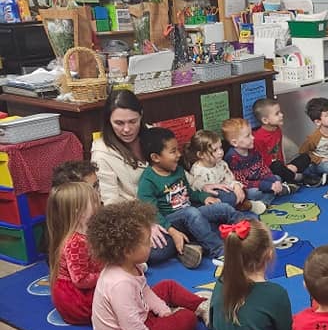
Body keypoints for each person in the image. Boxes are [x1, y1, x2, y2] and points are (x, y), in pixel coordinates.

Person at [87, 200, 207, 330]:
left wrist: (163, 310)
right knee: (187, 319)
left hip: (137, 313)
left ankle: (202, 306)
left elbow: (144, 291)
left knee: (168, 286)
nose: (150, 244)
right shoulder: (120, 284)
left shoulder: (130, 265)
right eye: (146, 242)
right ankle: (187, 312)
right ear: (128, 251)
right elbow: (131, 327)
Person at [90, 89, 175, 264]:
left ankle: (183, 238)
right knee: (159, 249)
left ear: (141, 116)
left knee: (221, 199)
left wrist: (200, 185)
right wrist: (145, 224)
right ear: (109, 121)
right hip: (136, 218)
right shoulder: (101, 153)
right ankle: (185, 239)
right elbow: (111, 206)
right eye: (119, 123)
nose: (127, 129)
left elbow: (175, 165)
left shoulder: (152, 134)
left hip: (171, 203)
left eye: (133, 121)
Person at [138, 126, 244, 264]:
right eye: (173, 151)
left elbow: (190, 193)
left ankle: (247, 230)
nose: (179, 155)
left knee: (223, 207)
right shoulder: (148, 180)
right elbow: (151, 212)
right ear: (155, 157)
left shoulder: (178, 170)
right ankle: (219, 251)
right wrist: (171, 230)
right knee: (156, 252)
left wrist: (204, 197)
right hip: (172, 221)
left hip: (193, 214)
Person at [47, 181, 102, 324]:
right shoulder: (75, 242)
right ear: (78, 211)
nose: (99, 204)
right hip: (77, 299)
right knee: (119, 295)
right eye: (94, 202)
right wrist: (105, 274)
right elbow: (81, 280)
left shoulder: (86, 232)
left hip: (85, 286)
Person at [185, 129, 267, 215]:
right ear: (201, 155)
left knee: (253, 192)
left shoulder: (222, 164)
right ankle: (244, 206)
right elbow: (198, 190)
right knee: (227, 197)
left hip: (229, 192)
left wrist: (236, 186)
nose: (220, 152)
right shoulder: (197, 170)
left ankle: (241, 204)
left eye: (220, 147)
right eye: (215, 150)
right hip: (216, 199)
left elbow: (230, 179)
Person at [223, 117, 292, 203]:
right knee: (253, 193)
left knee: (277, 178)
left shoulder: (253, 148)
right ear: (234, 142)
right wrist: (267, 186)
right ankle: (269, 197)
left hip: (260, 181)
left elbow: (263, 168)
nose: (252, 137)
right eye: (248, 136)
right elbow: (242, 182)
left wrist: (274, 181)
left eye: (251, 134)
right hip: (248, 186)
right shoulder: (232, 157)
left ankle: (269, 196)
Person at [252, 98, 314, 185]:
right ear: (265, 120)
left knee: (305, 157)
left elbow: (281, 152)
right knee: (276, 166)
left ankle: (289, 176)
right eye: (277, 114)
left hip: (283, 167)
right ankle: (297, 178)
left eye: (280, 112)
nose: (281, 115)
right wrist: (282, 168)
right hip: (270, 170)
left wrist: (287, 167)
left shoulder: (277, 129)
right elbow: (263, 164)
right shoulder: (258, 138)